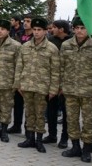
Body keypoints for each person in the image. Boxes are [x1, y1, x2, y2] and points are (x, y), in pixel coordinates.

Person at [60, 17, 92, 163]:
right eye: (77, 28)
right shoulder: (66, 45)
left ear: (88, 29)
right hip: (70, 90)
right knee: (72, 120)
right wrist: (61, 86)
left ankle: (87, 150)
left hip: (89, 92)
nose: (79, 31)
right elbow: (61, 68)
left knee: (89, 122)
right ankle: (75, 147)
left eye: (83, 28)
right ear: (73, 29)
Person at [14, 17, 60, 153]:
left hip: (42, 88)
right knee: (29, 113)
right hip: (27, 86)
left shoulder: (52, 49)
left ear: (46, 31)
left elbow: (56, 71)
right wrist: (18, 84)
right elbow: (19, 66)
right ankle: (30, 138)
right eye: (34, 29)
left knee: (40, 115)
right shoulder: (25, 46)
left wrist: (53, 89)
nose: (36, 32)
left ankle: (39, 140)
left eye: (39, 30)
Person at [45, 20, 73, 148]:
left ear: (61, 29)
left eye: (55, 27)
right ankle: (52, 135)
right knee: (51, 111)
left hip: (67, 82)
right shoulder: (50, 40)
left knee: (67, 113)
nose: (52, 29)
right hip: (51, 81)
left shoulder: (72, 42)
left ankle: (64, 138)